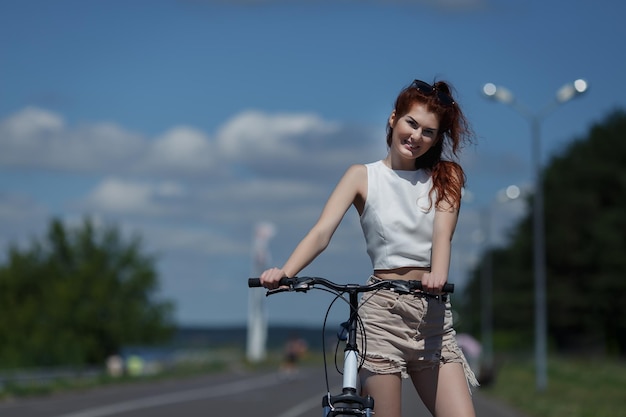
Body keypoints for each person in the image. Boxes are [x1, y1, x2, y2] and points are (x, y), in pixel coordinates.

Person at [260, 78, 478, 417]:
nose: (416, 136)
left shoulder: (446, 177)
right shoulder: (362, 176)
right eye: (411, 123)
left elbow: (442, 236)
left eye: (429, 132)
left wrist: (438, 275)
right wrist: (285, 273)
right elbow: (321, 232)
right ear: (394, 119)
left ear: (436, 139)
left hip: (431, 316)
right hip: (380, 315)